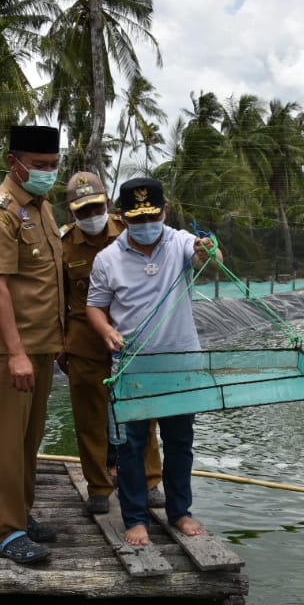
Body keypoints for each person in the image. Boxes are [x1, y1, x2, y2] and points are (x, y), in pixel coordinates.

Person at [86, 177, 218, 547]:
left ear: (164, 211)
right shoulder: (107, 258)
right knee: (130, 446)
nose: (145, 225)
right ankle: (135, 518)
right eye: (135, 218)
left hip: (180, 366)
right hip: (133, 368)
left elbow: (210, 259)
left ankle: (180, 511)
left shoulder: (178, 242)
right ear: (122, 217)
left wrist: (210, 249)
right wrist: (106, 332)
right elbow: (94, 307)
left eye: (151, 216)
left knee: (180, 441)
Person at [0, 125, 65, 565]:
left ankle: (21, 515)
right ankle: (5, 532)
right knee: (5, 444)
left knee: (29, 440)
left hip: (40, 346)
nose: (48, 173)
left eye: (53, 165)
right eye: (40, 166)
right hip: (10, 351)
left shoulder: (41, 207)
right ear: (15, 163)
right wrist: (17, 353)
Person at [57, 172, 163, 515]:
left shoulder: (132, 230)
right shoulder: (63, 244)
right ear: (72, 212)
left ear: (107, 203)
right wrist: (61, 345)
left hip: (133, 341)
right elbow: (57, 299)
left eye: (95, 207)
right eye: (81, 211)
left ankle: (150, 481)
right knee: (90, 419)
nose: (90, 216)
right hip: (85, 344)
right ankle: (99, 486)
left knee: (142, 413)